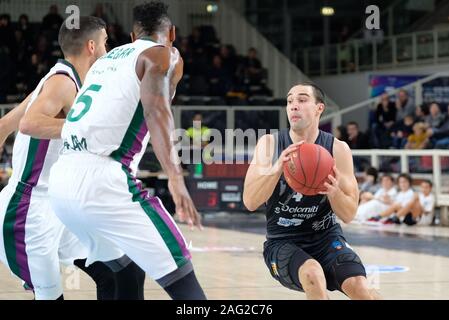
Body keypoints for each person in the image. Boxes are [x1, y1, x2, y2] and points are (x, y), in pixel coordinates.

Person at [48, 1, 206, 300]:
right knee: (182, 275)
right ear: (171, 33)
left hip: (62, 183)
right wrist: (175, 177)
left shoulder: (103, 63)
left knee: (126, 270)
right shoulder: (163, 54)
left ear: (132, 37)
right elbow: (157, 110)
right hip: (104, 181)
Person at [0, 16, 144, 300]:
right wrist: (83, 130)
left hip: (58, 207)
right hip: (28, 212)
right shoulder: (62, 82)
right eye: (105, 43)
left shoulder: (63, 79)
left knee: (122, 272)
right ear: (91, 46)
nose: (107, 49)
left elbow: (6, 125)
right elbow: (30, 124)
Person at [243, 81, 379, 300]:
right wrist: (277, 169)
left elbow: (349, 214)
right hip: (282, 240)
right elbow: (249, 202)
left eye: (302, 99)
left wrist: (334, 193)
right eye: (289, 101)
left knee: (360, 287)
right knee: (312, 273)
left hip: (326, 237)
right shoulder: (269, 144)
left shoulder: (338, 149)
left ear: (319, 108)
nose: (293, 106)